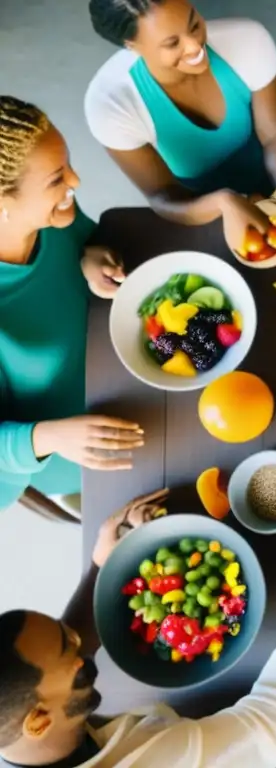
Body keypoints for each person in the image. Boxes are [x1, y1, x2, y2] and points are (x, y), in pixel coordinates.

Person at [0, 490, 276, 767]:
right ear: (37, 723)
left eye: (69, 635)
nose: (81, 642)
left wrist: (102, 565)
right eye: (73, 655)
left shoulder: (24, 725)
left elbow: (52, 659)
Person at [0, 96, 142, 515]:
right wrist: (48, 439)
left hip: (129, 370)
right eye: (57, 179)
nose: (76, 182)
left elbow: (82, 232)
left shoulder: (53, 214)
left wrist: (91, 252)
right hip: (83, 449)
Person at [85, 0, 276, 253]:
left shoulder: (248, 39)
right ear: (131, 46)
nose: (195, 46)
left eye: (194, 23)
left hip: (262, 166)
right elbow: (161, 195)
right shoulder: (112, 104)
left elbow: (274, 134)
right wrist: (222, 203)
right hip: (192, 204)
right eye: (172, 43)